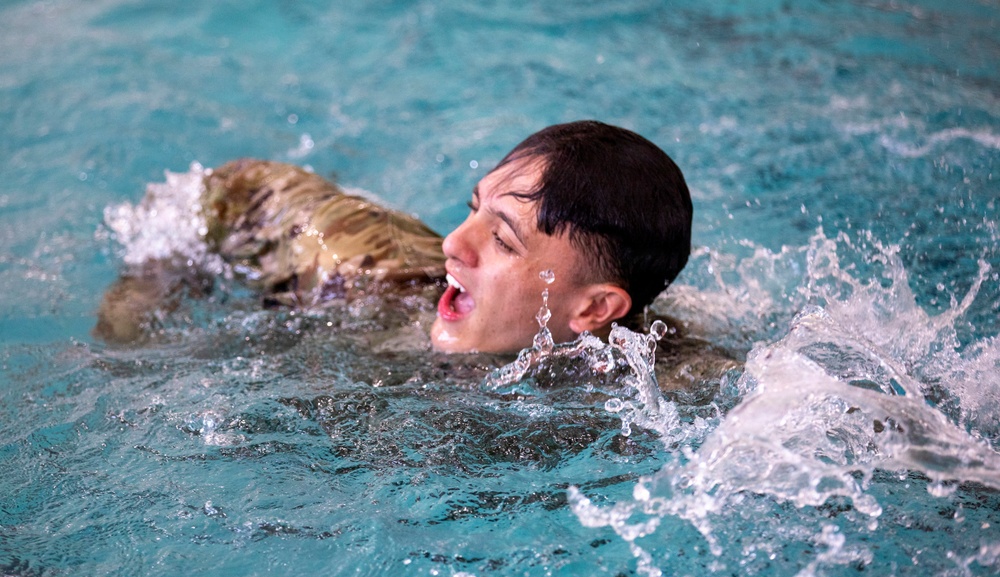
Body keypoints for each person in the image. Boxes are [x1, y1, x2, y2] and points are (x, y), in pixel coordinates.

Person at [95, 120, 692, 355]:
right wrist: (129, 332)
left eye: (503, 241)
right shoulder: (354, 271)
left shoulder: (660, 388)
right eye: (472, 209)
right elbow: (223, 191)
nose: (454, 244)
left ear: (595, 308)